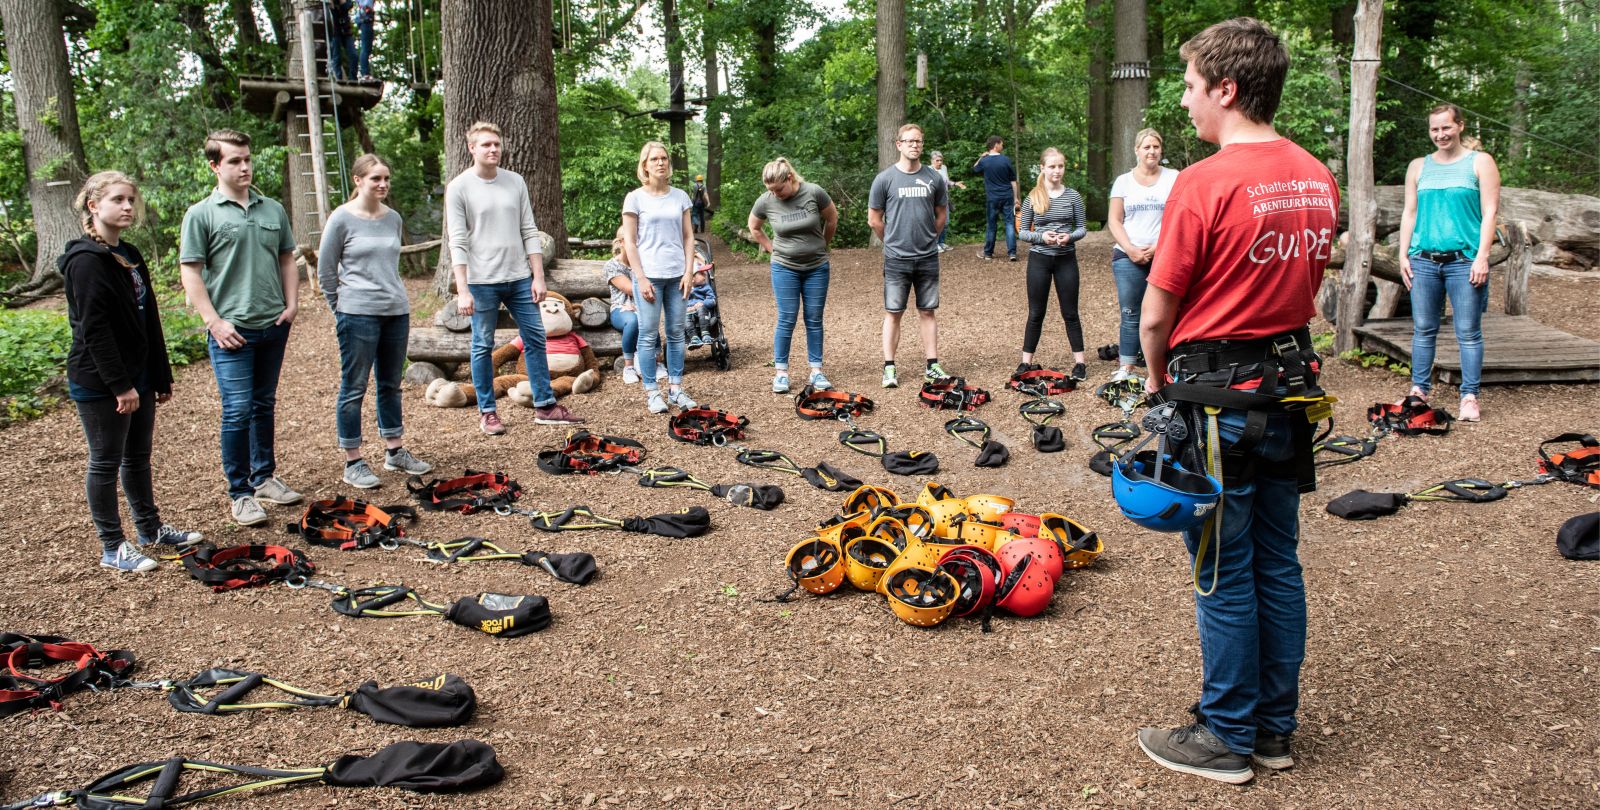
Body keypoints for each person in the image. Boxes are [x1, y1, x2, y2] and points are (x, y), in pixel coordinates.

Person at [1136, 18, 1339, 785]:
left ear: (1226, 89)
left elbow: (1155, 315)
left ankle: (1226, 734)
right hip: (1287, 394)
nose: (1185, 100)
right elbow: (1302, 286)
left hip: (1219, 402)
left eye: (1191, 85)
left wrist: (1156, 380)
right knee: (1278, 563)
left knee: (1222, 567)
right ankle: (1273, 730)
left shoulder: (1204, 182)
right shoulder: (1315, 176)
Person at [65, 172, 203, 572]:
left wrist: (159, 375)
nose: (128, 206)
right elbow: (94, 331)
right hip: (101, 381)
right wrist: (120, 386)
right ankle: (112, 547)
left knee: (138, 457)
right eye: (118, 200)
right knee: (105, 461)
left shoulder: (129, 253)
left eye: (131, 199)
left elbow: (148, 319)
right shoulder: (85, 262)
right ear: (94, 206)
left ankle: (150, 529)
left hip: (137, 376)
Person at [180, 129, 304, 527]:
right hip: (231, 331)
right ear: (215, 166)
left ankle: (264, 478)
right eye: (234, 160)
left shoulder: (273, 210)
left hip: (272, 324)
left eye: (247, 158)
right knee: (237, 410)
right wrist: (213, 322)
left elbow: (287, 259)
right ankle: (241, 493)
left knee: (264, 404)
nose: (245, 166)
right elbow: (191, 271)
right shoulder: (202, 214)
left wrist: (291, 304)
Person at [447, 121, 584, 434]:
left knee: (535, 338)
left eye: (496, 144)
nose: (493, 149)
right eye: (486, 144)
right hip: (481, 282)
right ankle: (488, 412)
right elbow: (458, 241)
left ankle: (545, 405)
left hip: (519, 278)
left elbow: (528, 230)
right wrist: (463, 290)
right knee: (482, 345)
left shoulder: (514, 181)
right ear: (472, 148)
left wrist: (538, 277)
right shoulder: (459, 187)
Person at [318, 154, 432, 489]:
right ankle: (353, 461)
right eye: (375, 179)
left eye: (386, 178)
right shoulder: (341, 219)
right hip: (357, 314)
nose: (383, 184)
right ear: (358, 180)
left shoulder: (393, 218)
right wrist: (341, 308)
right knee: (354, 387)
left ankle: (394, 450)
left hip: (395, 311)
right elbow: (326, 272)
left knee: (390, 384)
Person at [1398, 103, 1500, 422]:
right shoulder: (1418, 166)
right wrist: (1402, 254)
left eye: (1446, 127)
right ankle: (1419, 391)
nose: (1440, 134)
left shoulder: (1480, 162)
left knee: (1468, 331)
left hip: (1464, 260)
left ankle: (1469, 396)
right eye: (1434, 129)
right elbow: (1410, 212)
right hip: (1423, 260)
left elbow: (1490, 213)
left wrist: (1482, 256)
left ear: (1460, 126)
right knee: (1423, 329)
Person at [748, 157, 839, 393]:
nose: (775, 194)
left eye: (779, 189)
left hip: (816, 267)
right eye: (771, 190)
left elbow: (832, 218)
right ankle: (781, 373)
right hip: (784, 267)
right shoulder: (766, 200)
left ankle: (816, 371)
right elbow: (754, 227)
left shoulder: (814, 192)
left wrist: (823, 244)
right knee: (787, 318)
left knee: (814, 318)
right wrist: (771, 249)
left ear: (790, 178)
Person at [868, 123, 950, 388]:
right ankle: (889, 368)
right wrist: (892, 241)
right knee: (894, 312)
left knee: (928, 311)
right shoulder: (885, 179)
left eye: (919, 141)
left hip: (927, 256)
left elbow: (941, 215)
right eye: (910, 141)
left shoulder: (934, 178)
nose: (915, 145)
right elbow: (874, 220)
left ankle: (932, 366)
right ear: (899, 144)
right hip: (896, 259)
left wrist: (930, 238)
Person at [622, 141, 699, 414]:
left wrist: (689, 271)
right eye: (654, 159)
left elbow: (688, 237)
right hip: (649, 276)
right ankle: (653, 392)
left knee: (677, 333)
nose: (660, 163)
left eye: (664, 158)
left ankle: (676, 389)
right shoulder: (635, 198)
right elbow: (630, 242)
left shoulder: (680, 196)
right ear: (645, 165)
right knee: (647, 334)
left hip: (677, 274)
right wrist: (640, 278)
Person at [1107, 128, 1179, 382]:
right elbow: (1114, 220)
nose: (1152, 151)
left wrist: (1159, 246)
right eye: (1146, 147)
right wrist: (1130, 249)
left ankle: (1166, 366)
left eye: (1156, 147)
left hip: (1165, 253)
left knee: (1167, 312)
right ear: (1136, 150)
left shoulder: (1174, 177)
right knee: (1130, 312)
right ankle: (1126, 366)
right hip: (1128, 257)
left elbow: (1179, 218)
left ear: (1161, 150)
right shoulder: (1123, 181)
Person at [1016, 147, 1088, 379]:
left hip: (1066, 259)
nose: (1057, 171)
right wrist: (1042, 237)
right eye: (1052, 166)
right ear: (1043, 168)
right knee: (1036, 312)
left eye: (1060, 166)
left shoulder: (1073, 196)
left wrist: (1070, 237)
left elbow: (1082, 228)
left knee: (1070, 313)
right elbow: (1022, 232)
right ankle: (1025, 362)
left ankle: (1080, 363)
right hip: (1039, 259)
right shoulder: (1033, 197)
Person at [603, 230, 663, 386]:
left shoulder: (644, 262)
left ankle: (657, 363)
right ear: (621, 242)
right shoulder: (612, 265)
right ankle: (628, 367)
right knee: (634, 321)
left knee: (647, 317)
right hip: (621, 308)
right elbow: (631, 289)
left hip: (642, 306)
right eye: (632, 240)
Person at [971, 136, 1019, 261]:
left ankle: (988, 253)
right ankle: (1012, 253)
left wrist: (981, 157)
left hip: (992, 198)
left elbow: (974, 168)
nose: (1002, 146)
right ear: (996, 145)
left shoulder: (984, 161)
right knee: (1009, 224)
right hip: (1007, 196)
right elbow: (1013, 181)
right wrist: (1016, 198)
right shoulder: (1005, 160)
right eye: (1001, 144)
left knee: (991, 225)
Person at [928, 151, 966, 252]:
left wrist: (955, 184)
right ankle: (935, 244)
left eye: (941, 160)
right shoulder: (928, 170)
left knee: (945, 222)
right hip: (933, 201)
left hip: (945, 199)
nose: (940, 162)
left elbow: (946, 181)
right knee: (936, 222)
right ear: (932, 161)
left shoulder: (944, 168)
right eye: (937, 160)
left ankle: (941, 242)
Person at [323, 0, 356, 81]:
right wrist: (331, 5)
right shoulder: (327, 3)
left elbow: (349, 5)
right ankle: (338, 78)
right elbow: (327, 13)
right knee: (336, 57)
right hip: (335, 31)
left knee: (353, 55)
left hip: (346, 30)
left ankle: (353, 78)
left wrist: (341, 2)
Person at [685, 268, 717, 347]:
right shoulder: (685, 289)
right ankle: (694, 337)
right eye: (701, 274)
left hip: (704, 312)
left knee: (700, 308)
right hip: (689, 312)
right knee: (684, 314)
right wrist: (686, 307)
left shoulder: (706, 287)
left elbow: (712, 301)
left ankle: (705, 334)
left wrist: (703, 303)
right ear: (692, 278)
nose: (705, 276)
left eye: (704, 274)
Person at [353, 0, 376, 81]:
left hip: (365, 17)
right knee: (365, 48)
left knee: (367, 48)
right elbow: (366, 4)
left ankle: (365, 73)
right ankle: (365, 73)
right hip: (365, 18)